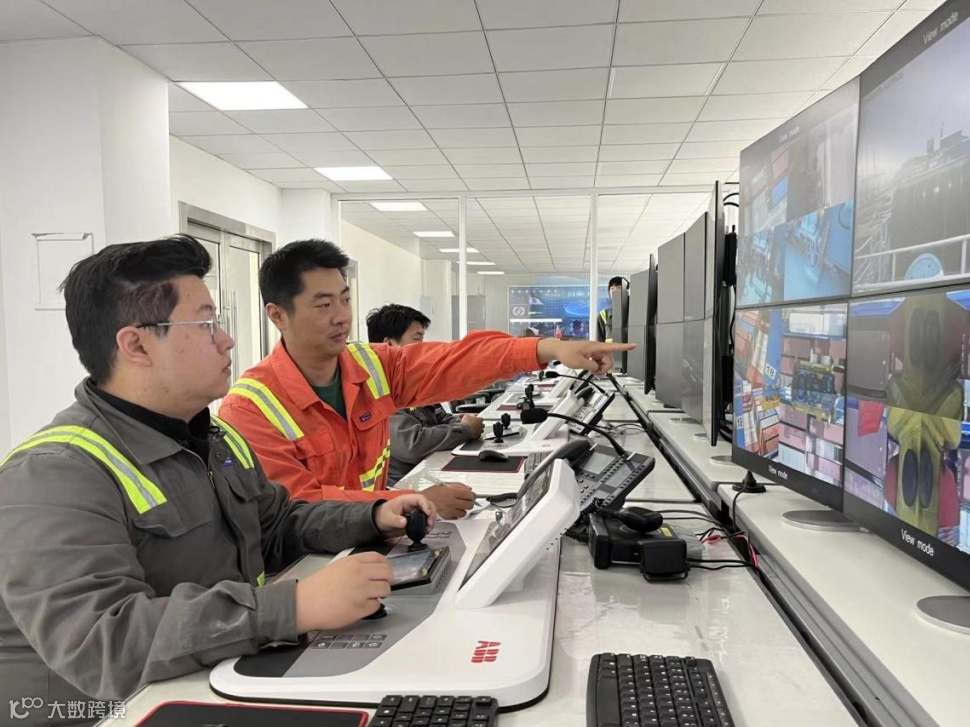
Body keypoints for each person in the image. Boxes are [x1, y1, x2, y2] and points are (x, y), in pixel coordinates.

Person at [0, 235, 434, 727]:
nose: (227, 341)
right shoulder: (53, 474)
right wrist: (291, 607)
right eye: (207, 325)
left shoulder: (213, 438)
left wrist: (371, 516)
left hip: (215, 683)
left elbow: (276, 524)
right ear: (136, 344)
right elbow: (104, 643)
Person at [219, 239, 633, 517]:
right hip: (306, 568)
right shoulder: (250, 408)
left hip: (367, 536)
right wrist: (409, 500)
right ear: (278, 315)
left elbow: (454, 361)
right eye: (324, 305)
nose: (342, 316)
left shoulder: (370, 364)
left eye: (345, 299)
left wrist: (547, 349)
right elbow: (300, 505)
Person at [366, 304, 484, 487]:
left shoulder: (409, 381)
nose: (423, 347)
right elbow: (413, 445)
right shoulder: (377, 389)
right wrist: (465, 430)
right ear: (388, 345)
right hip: (404, 486)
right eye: (417, 339)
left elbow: (438, 416)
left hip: (428, 471)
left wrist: (459, 422)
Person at [596, 276, 626, 342]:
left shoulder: (633, 313)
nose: (615, 291)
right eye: (612, 288)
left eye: (619, 288)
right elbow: (599, 341)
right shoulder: (603, 315)